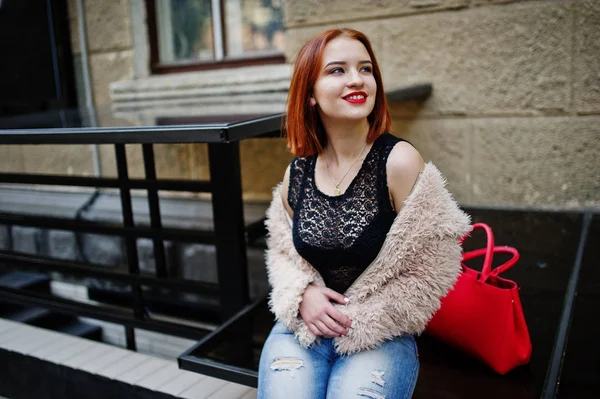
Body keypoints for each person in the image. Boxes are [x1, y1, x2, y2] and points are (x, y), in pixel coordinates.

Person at [258, 28, 471, 399]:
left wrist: (364, 320)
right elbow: (281, 251)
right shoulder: (298, 173)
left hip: (379, 334)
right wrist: (302, 294)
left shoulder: (399, 162)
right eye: (337, 70)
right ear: (309, 94)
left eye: (366, 69)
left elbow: (436, 264)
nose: (357, 80)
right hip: (303, 328)